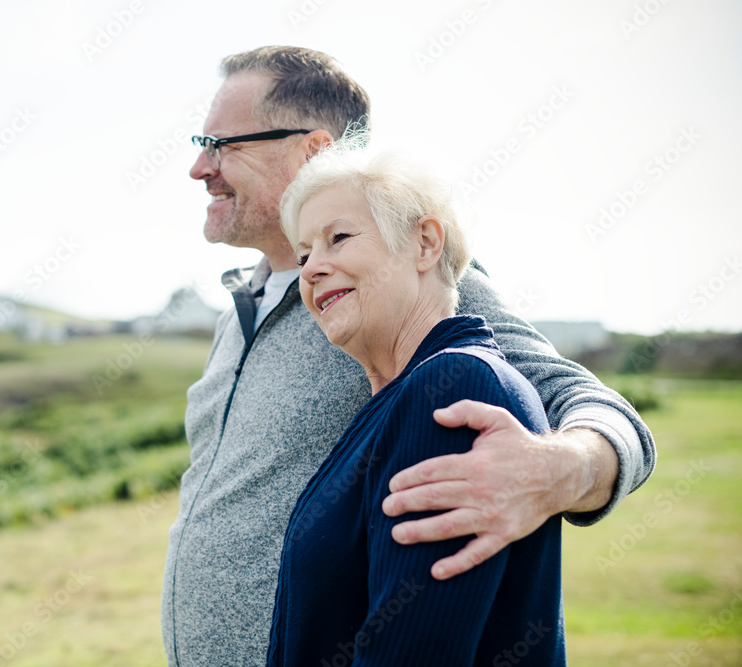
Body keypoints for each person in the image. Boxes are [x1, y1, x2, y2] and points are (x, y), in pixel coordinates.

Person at [161, 46, 654, 667]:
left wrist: (562, 469)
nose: (199, 167)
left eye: (221, 143)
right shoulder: (240, 307)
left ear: (314, 150)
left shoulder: (406, 281)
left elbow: (592, 405)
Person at [267, 140, 564, 665]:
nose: (312, 269)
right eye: (305, 253)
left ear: (425, 244)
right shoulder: (396, 400)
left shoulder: (452, 387)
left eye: (338, 238)